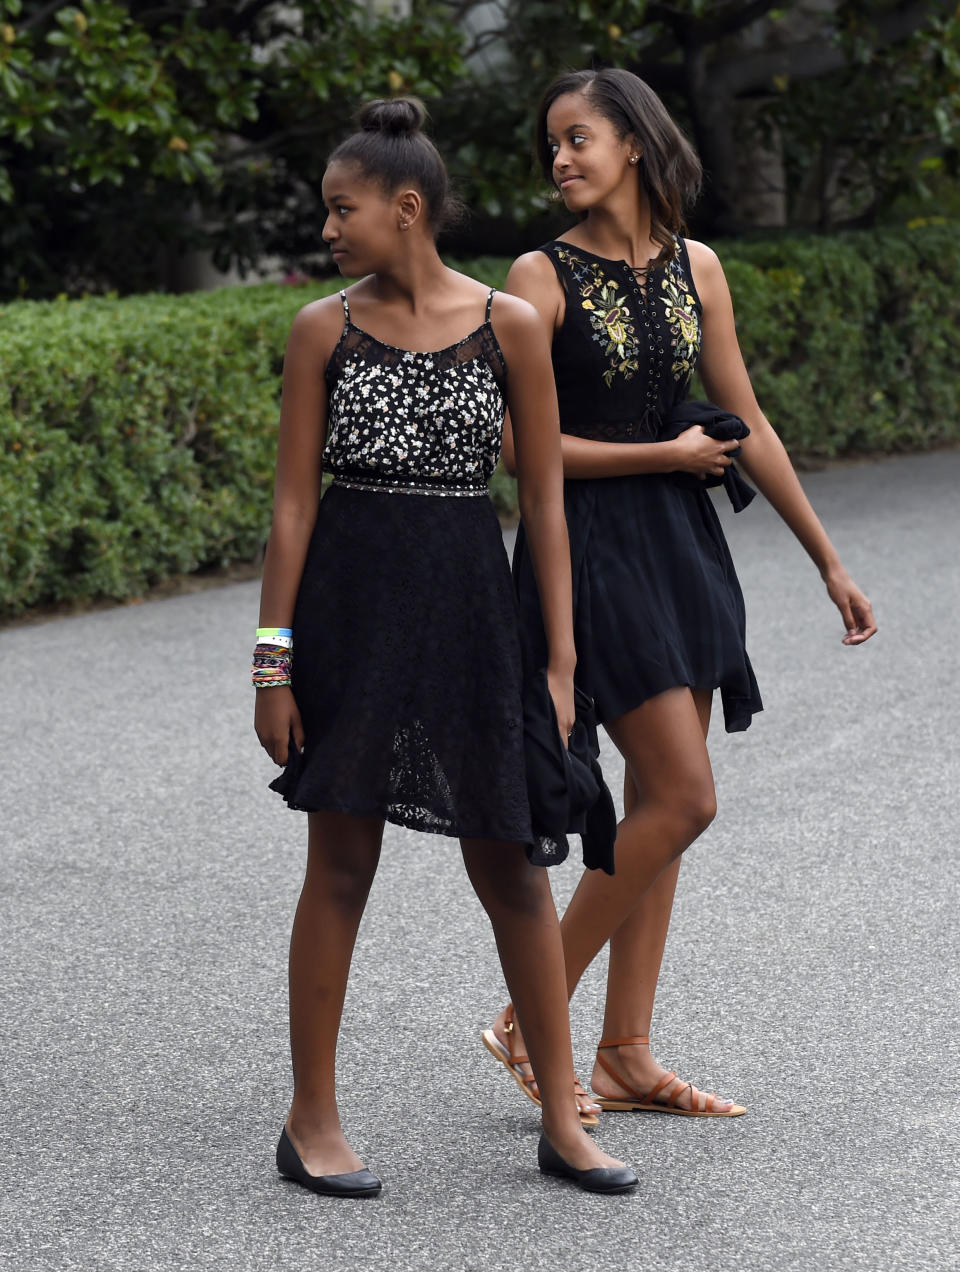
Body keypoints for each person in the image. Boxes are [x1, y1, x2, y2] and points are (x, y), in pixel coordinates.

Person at [253, 96, 637, 1197]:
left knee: (514, 866)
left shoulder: (509, 324)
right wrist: (272, 661)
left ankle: (564, 1120)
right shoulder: (320, 328)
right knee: (340, 865)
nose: (328, 229)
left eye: (343, 209)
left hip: (477, 622)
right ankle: (310, 1119)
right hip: (350, 621)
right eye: (327, 212)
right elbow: (290, 509)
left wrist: (560, 665)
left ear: (405, 207)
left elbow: (548, 508)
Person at [483, 68, 877, 1121]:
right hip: (591, 547)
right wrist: (661, 450)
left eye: (577, 139)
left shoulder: (698, 267)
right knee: (687, 797)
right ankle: (533, 1017)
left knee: (667, 810)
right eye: (551, 146)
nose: (560, 160)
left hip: (686, 546)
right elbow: (519, 447)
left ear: (636, 144)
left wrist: (826, 559)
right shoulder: (538, 274)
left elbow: (748, 418)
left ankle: (624, 1053)